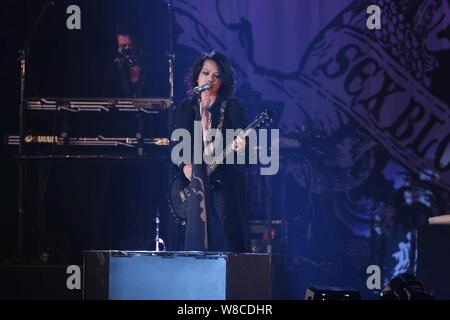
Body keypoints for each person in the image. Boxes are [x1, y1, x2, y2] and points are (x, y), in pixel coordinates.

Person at [174, 50, 250, 252]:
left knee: (223, 239)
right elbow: (176, 147)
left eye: (216, 75)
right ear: (197, 76)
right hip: (192, 184)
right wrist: (184, 167)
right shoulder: (185, 108)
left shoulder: (232, 108)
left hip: (222, 184)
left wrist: (241, 149)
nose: (210, 79)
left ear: (223, 81)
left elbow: (245, 156)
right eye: (206, 73)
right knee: (192, 241)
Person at [102, 22, 162, 98]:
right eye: (123, 46)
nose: (127, 50)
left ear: (139, 44)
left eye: (130, 45)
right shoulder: (113, 71)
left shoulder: (154, 69)